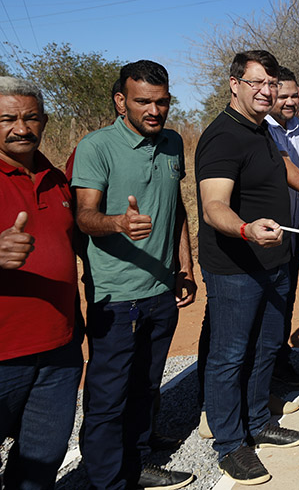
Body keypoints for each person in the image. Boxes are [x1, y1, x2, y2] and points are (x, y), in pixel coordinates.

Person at [196, 50, 299, 484]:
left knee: (266, 347)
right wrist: (246, 229)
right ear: (234, 84)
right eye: (256, 82)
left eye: (271, 84)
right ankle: (230, 444)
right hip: (236, 266)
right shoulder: (222, 137)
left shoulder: (262, 130)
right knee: (230, 356)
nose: (266, 91)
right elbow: (213, 205)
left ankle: (257, 422)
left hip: (274, 260)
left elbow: (283, 164)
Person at [73, 60, 196, 490]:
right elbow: (84, 216)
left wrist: (185, 267)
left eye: (162, 102)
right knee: (109, 396)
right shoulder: (96, 147)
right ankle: (106, 479)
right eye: (143, 101)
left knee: (146, 384)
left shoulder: (173, 142)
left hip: (161, 290)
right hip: (116, 296)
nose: (154, 111)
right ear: (121, 101)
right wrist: (118, 224)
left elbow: (177, 208)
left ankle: (139, 458)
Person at [0, 77, 82, 490]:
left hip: (59, 350)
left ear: (45, 121)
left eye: (31, 117)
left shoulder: (56, 176)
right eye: (8, 119)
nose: (21, 128)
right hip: (4, 354)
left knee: (42, 458)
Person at [264, 67, 299, 390]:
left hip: (294, 233)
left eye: (295, 95)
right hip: (268, 235)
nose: (291, 102)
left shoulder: (298, 128)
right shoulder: (263, 129)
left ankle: (279, 365)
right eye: (283, 96)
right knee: (266, 307)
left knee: (285, 300)